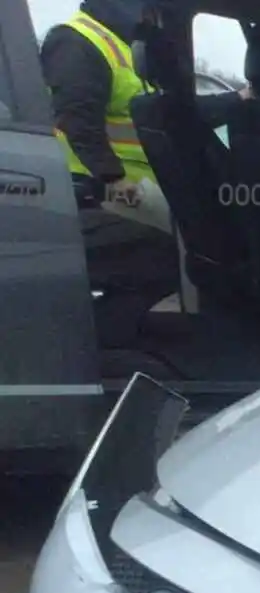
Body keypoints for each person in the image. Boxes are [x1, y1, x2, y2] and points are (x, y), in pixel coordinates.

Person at [41, 0, 179, 345]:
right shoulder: (77, 40)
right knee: (162, 257)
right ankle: (97, 344)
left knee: (170, 250)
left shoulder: (120, 44)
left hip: (127, 182)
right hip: (92, 189)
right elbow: (77, 119)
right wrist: (112, 178)